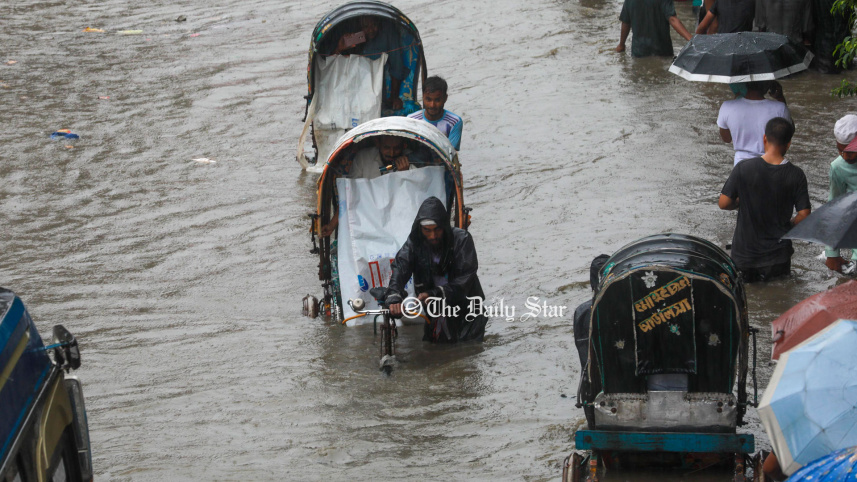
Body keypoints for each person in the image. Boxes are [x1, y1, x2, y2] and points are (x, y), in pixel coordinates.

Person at [718, 117, 811, 282]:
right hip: (778, 258)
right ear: (788, 144)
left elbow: (724, 203)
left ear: (764, 138)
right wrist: (789, 225)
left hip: (745, 257)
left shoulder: (743, 168)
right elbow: (804, 215)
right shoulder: (796, 175)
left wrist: (740, 202)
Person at [387, 197, 488, 343]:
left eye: (437, 230)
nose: (433, 236)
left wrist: (436, 292)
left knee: (468, 354)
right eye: (427, 231)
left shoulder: (462, 239)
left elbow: (466, 278)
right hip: (435, 312)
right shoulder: (414, 244)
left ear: (444, 227)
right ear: (420, 229)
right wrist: (394, 296)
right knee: (435, 353)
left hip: (467, 312)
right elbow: (400, 267)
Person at [321, 136, 429, 237]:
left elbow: (417, 199)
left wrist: (404, 174)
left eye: (396, 148)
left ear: (403, 146)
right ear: (378, 143)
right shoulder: (363, 158)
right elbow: (350, 193)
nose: (391, 153)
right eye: (387, 148)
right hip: (368, 218)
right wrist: (332, 225)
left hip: (399, 219)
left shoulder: (411, 159)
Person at [334, 16, 409, 111]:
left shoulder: (387, 32)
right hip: (350, 92)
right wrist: (339, 48)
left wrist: (394, 97)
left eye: (374, 25)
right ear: (359, 26)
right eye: (366, 27)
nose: (371, 30)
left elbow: (396, 65)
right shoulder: (349, 34)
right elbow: (332, 66)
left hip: (376, 94)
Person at [717, 81, 791, 165]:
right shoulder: (780, 108)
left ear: (745, 84)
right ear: (767, 85)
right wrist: (780, 98)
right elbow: (788, 132)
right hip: (770, 165)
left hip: (741, 166)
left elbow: (726, 139)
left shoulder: (727, 106)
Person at [824, 115, 857, 273]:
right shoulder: (838, 167)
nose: (845, 156)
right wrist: (832, 254)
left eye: (849, 151)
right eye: (840, 150)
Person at [616, 0, 693, 57]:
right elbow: (672, 19)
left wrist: (621, 44)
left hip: (639, 52)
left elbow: (625, 22)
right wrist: (691, 39)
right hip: (662, 51)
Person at [407, 76, 463, 151]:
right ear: (423, 97)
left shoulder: (455, 122)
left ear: (445, 98)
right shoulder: (411, 120)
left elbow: (451, 153)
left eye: (437, 100)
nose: (432, 105)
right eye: (428, 99)